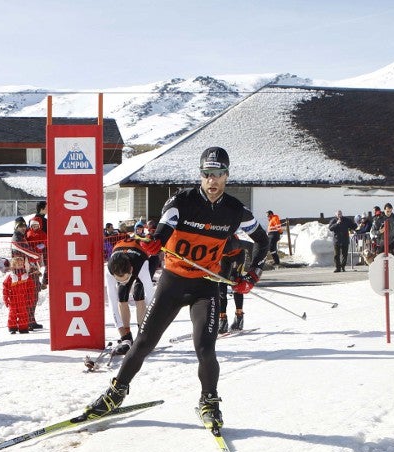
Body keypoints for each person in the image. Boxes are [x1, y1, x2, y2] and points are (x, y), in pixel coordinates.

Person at [85, 146, 269, 428]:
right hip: (173, 283)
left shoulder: (236, 211)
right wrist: (157, 240)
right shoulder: (181, 201)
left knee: (205, 348)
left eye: (218, 174)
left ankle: (209, 401)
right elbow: (166, 224)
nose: (212, 181)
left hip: (206, 286)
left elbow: (262, 240)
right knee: (144, 343)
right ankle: (115, 393)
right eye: (207, 174)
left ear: (227, 176)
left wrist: (252, 274)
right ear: (201, 175)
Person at [105, 233, 156, 354]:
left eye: (125, 279)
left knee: (139, 294)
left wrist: (149, 332)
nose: (122, 281)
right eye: (118, 280)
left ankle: (141, 333)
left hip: (146, 258)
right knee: (121, 297)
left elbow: (152, 299)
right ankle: (127, 336)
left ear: (131, 271)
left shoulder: (141, 266)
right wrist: (123, 336)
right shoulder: (109, 271)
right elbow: (112, 304)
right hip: (124, 259)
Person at [218, 235, 254, 332]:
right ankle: (222, 319)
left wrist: (252, 269)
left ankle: (239, 317)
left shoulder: (232, 240)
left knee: (236, 283)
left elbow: (251, 245)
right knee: (221, 283)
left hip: (237, 256)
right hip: (224, 258)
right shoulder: (213, 237)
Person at [2, 255, 37, 334]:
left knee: (23, 313)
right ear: (14, 266)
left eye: (21, 264)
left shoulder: (26, 276)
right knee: (12, 313)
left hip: (23, 298)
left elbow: (31, 289)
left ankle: (23, 327)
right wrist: (6, 298)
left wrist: (31, 298)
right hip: (13, 298)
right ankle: (12, 327)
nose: (20, 265)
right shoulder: (10, 277)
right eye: (18, 264)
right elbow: (5, 288)